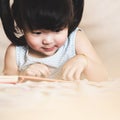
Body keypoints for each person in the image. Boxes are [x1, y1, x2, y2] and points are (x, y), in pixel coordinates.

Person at [0, 0, 108, 81]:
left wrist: (85, 62)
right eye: (37, 33)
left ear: (68, 22)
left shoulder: (76, 39)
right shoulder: (16, 52)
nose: (48, 41)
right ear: (21, 26)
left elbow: (103, 77)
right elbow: (8, 83)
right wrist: (23, 75)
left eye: (57, 30)